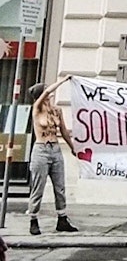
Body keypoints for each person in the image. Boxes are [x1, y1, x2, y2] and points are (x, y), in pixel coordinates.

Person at [26, 75, 77, 235]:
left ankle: (62, 219)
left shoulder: (56, 110)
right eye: (46, 90)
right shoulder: (37, 108)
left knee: (60, 186)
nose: (50, 93)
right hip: (41, 150)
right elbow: (47, 92)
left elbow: (64, 130)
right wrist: (63, 80)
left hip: (55, 149)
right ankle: (33, 219)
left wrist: (72, 147)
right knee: (38, 187)